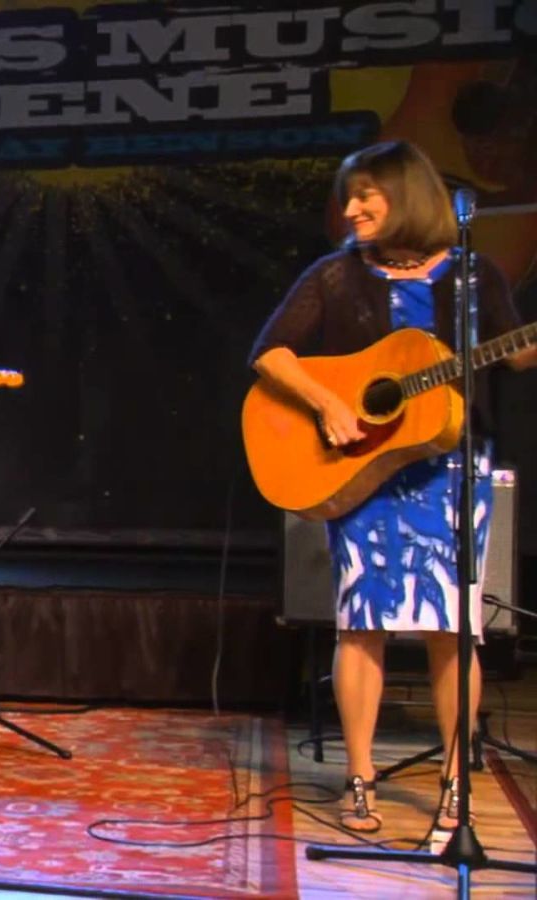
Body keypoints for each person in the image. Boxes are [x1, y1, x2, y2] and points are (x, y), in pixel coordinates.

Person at [248, 141, 537, 833]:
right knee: (362, 625)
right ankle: (360, 777)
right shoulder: (335, 276)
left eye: (366, 194)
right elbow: (270, 353)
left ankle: (453, 786)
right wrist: (327, 402)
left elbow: (514, 349)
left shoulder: (473, 275)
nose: (350, 209)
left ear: (406, 195)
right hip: (363, 472)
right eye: (349, 196)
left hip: (449, 472)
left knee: (453, 629)